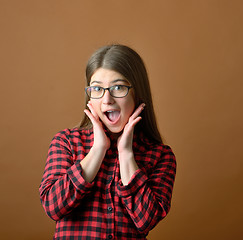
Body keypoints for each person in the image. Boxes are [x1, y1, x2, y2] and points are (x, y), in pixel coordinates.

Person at [39, 44, 176, 240]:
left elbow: (146, 220)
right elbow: (53, 207)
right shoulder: (66, 142)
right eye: (97, 88)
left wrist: (126, 154)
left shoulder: (161, 156)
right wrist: (98, 149)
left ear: (138, 93)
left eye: (118, 87)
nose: (107, 99)